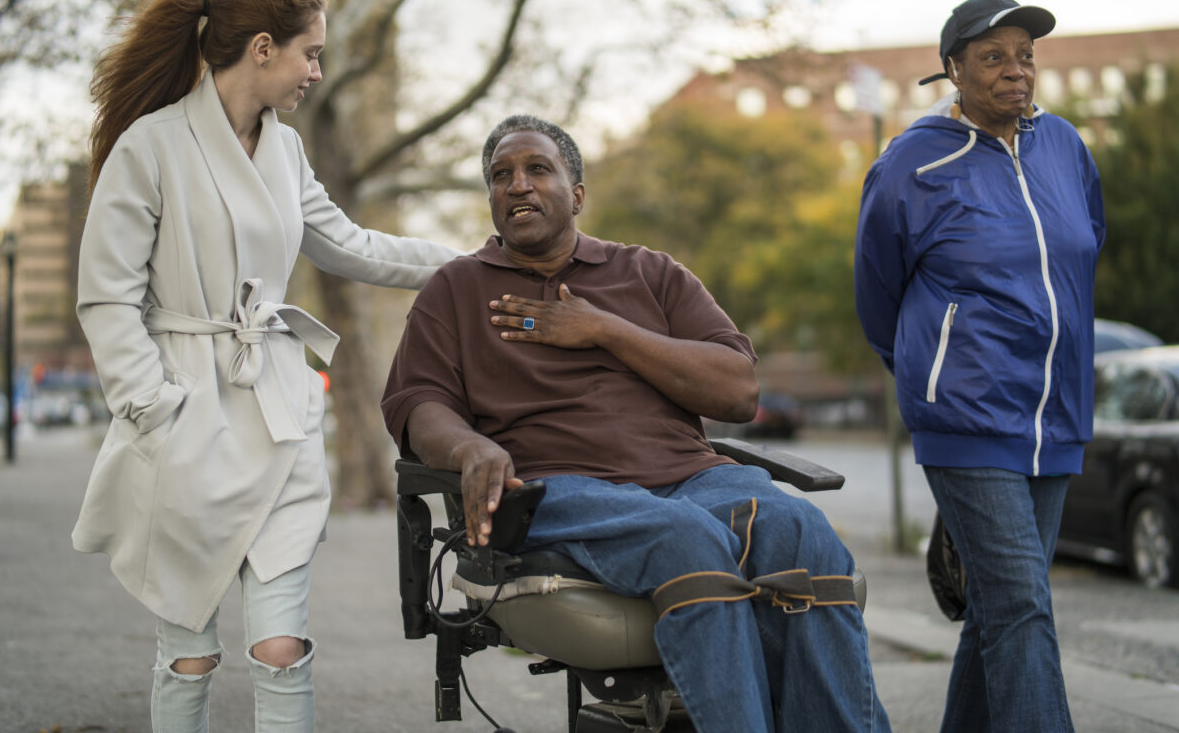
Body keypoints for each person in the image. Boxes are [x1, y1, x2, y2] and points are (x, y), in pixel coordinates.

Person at [382, 114, 891, 733]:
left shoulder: (650, 273)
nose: (516, 185)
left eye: (537, 169)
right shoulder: (455, 289)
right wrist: (467, 447)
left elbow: (737, 391)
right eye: (500, 176)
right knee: (684, 536)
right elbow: (417, 403)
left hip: (690, 476)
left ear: (576, 194)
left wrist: (605, 329)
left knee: (798, 527)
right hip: (556, 488)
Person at [72, 0, 460, 732]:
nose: (315, 71)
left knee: (281, 645)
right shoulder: (150, 147)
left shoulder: (283, 151)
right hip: (186, 415)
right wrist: (153, 407)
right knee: (190, 651)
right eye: (308, 54)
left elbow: (348, 243)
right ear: (260, 49)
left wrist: (469, 262)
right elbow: (105, 297)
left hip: (278, 410)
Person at [854, 0, 1104, 733]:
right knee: (1024, 603)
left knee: (999, 608)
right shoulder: (912, 163)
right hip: (965, 414)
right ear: (953, 70)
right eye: (993, 57)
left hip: (1054, 415)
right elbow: (878, 291)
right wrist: (931, 375)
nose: (1014, 71)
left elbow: (1083, 252)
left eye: (1025, 56)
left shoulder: (1064, 147)